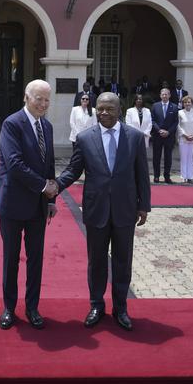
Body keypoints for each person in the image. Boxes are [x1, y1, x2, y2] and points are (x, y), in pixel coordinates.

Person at [56, 92, 150, 331]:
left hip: (125, 209)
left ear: (119, 110)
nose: (104, 113)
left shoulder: (135, 137)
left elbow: (142, 175)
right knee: (96, 261)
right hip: (96, 210)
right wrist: (55, 186)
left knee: (122, 261)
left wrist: (143, 206)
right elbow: (74, 169)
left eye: (109, 109)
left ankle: (121, 308)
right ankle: (96, 305)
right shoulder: (85, 138)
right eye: (100, 109)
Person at [0, 79, 57, 330]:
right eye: (38, 99)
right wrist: (44, 187)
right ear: (26, 97)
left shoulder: (48, 127)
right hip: (13, 203)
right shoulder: (12, 124)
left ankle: (32, 307)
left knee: (36, 259)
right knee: (11, 258)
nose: (43, 104)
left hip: (38, 207)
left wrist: (51, 199)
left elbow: (49, 165)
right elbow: (14, 164)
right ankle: (9, 308)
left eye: (46, 100)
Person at [151, 88, 178, 184]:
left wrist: (168, 132)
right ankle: (156, 176)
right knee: (156, 157)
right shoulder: (155, 106)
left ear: (170, 95)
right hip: (157, 136)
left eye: (166, 94)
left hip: (169, 136)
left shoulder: (174, 107)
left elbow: (176, 122)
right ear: (160, 95)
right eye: (163, 94)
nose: (165, 96)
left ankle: (167, 176)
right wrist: (159, 130)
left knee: (168, 157)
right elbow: (152, 120)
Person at [176, 95, 193, 183]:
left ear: (192, 103)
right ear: (183, 104)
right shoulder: (180, 112)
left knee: (191, 157)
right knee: (184, 157)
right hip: (183, 138)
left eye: (189, 102)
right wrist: (185, 135)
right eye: (185, 102)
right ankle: (183, 176)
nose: (187, 104)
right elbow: (178, 125)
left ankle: (190, 176)